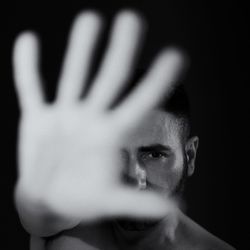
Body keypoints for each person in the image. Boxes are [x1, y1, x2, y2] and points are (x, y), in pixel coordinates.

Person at [13, 10, 235, 250]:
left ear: (189, 156)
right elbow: (40, 215)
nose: (133, 176)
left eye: (154, 155)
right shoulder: (70, 228)